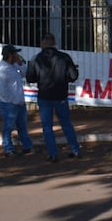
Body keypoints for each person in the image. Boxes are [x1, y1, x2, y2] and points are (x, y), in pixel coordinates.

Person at [26, 33, 80, 163]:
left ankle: (53, 154)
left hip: (44, 96)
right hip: (61, 95)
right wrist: (64, 79)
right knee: (66, 124)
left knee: (47, 126)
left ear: (42, 44)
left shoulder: (36, 59)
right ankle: (75, 150)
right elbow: (73, 76)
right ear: (54, 43)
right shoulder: (64, 57)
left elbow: (30, 78)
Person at [0, 44, 34, 157]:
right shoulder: (2, 69)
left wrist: (21, 64)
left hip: (19, 102)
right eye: (15, 54)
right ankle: (8, 148)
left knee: (22, 126)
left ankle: (27, 147)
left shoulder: (15, 65)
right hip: (10, 104)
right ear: (9, 56)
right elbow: (2, 89)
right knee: (8, 127)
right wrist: (12, 100)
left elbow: (25, 73)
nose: (17, 55)